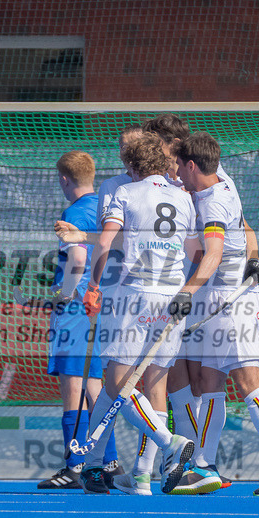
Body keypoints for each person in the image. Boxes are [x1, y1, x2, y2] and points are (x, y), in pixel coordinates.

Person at [168, 132, 259, 496]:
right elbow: (245, 227)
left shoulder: (212, 204)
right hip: (222, 301)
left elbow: (211, 256)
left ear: (192, 165)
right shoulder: (221, 177)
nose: (177, 173)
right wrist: (253, 255)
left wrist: (186, 292)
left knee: (247, 381)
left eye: (180, 165)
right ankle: (203, 465)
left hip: (231, 303)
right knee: (211, 382)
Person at [79, 132, 197, 495]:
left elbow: (104, 240)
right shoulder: (183, 197)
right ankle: (121, 471)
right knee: (149, 382)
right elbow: (193, 251)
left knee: (116, 382)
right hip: (173, 297)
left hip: (134, 295)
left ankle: (168, 443)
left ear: (131, 165)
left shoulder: (126, 192)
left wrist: (94, 285)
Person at [37, 151, 123, 490]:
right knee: (95, 388)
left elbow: (78, 256)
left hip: (76, 310)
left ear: (63, 178)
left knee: (74, 387)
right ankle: (108, 462)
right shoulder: (104, 208)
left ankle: (75, 466)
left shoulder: (73, 212)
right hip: (101, 305)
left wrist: (64, 294)